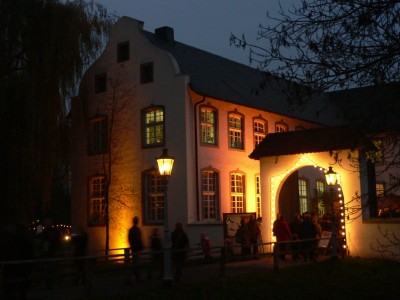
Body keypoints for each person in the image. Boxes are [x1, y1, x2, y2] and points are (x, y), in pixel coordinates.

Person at [127, 216, 143, 284]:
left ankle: (135, 278)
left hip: (133, 247)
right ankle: (132, 278)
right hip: (136, 248)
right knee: (135, 263)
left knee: (135, 262)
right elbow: (139, 239)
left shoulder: (131, 230)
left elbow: (129, 239)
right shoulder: (137, 230)